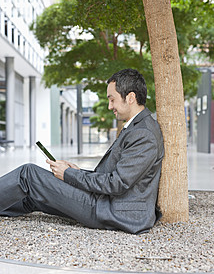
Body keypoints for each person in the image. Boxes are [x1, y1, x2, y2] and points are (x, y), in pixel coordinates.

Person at [0, 69, 164, 234]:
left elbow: (117, 183)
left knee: (28, 174)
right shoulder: (138, 127)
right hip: (109, 204)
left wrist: (69, 175)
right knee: (35, 194)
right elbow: (115, 176)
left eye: (112, 100)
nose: (110, 106)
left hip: (115, 211)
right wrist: (75, 172)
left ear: (130, 98)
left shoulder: (144, 133)